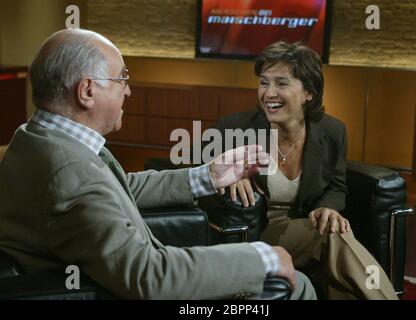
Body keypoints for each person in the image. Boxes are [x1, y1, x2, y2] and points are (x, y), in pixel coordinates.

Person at [0, 29, 317, 300]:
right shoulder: (68, 171)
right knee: (296, 285)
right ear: (87, 91)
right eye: (122, 78)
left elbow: (119, 187)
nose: (128, 90)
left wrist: (206, 176)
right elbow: (148, 274)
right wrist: (261, 257)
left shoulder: (36, 138)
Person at [210, 41, 398, 300]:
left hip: (304, 225)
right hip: (257, 230)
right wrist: (224, 168)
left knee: (334, 239)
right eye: (264, 82)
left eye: (282, 83)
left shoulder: (332, 131)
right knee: (334, 236)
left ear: (309, 92)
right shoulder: (235, 128)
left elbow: (337, 186)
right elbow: (188, 164)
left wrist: (328, 207)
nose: (268, 93)